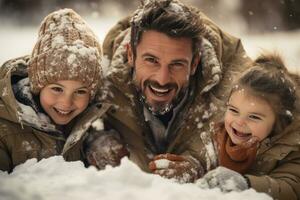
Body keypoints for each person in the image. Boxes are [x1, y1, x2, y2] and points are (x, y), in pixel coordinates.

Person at [97, 0, 252, 182]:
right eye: (151, 60)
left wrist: (201, 165)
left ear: (194, 63)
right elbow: (67, 120)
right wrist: (95, 141)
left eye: (177, 64)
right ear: (130, 55)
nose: (162, 79)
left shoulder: (240, 88)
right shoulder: (102, 75)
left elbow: (276, 156)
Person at [0, 8, 112, 172]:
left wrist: (98, 143)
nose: (66, 102)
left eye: (80, 91)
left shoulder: (84, 127)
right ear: (37, 84)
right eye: (57, 89)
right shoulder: (4, 132)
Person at [197, 53, 300, 200]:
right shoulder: (219, 135)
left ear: (281, 122)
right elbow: (199, 157)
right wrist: (191, 167)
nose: (239, 122)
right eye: (233, 110)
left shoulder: (292, 149)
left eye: (254, 117)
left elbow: (290, 189)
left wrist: (246, 184)